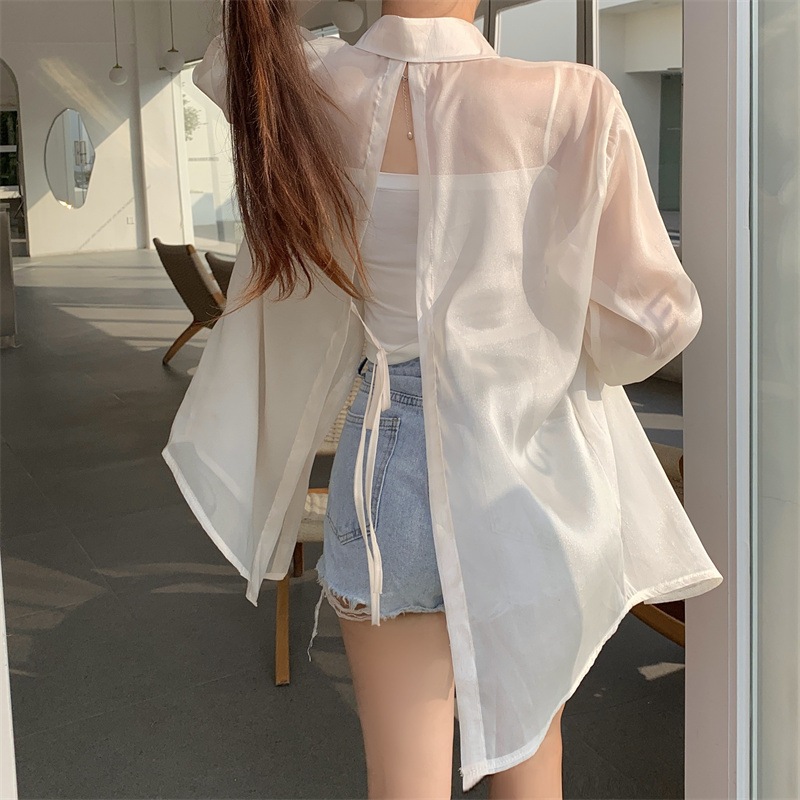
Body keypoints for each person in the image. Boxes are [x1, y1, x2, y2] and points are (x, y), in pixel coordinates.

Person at [163, 1, 724, 797]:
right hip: (530, 470)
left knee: (403, 781)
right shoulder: (569, 99)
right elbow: (652, 323)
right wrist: (554, 325)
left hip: (383, 461)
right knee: (532, 762)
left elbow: (229, 52)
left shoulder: (306, 88)